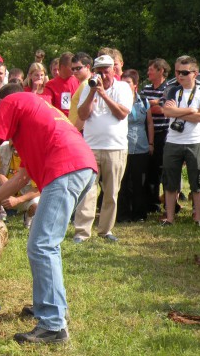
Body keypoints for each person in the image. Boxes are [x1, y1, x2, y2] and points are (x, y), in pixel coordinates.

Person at [0, 83, 97, 344]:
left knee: (42, 245)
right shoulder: (38, 118)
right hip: (79, 166)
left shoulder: (13, 100)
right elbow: (20, 178)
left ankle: (53, 325)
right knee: (45, 244)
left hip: (65, 168)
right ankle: (49, 307)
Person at [73, 54, 132, 243]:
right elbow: (82, 115)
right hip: (91, 147)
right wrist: (92, 92)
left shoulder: (123, 87)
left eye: (106, 71)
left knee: (111, 192)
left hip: (116, 147)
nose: (102, 76)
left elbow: (122, 113)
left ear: (114, 70)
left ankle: (105, 230)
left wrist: (104, 95)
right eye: (99, 72)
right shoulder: (88, 87)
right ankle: (82, 232)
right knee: (87, 191)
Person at [160, 56, 200, 226]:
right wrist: (190, 110)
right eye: (177, 72)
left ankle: (198, 217)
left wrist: (177, 111)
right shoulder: (173, 90)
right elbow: (166, 113)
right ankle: (169, 217)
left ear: (195, 73)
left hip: (195, 141)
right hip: (173, 141)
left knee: (198, 180)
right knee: (170, 180)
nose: (179, 76)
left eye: (184, 72)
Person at [117, 69, 154, 223]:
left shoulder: (143, 101)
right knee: (123, 182)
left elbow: (150, 123)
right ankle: (123, 214)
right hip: (122, 146)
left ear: (135, 85)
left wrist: (151, 143)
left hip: (141, 146)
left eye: (128, 83)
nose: (125, 86)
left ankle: (139, 214)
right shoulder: (117, 101)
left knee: (139, 182)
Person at [0, 141, 40, 228]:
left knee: (37, 205)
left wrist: (18, 200)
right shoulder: (1, 149)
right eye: (12, 139)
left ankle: (28, 217)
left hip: (24, 196)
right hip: (5, 191)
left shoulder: (35, 155)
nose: (15, 144)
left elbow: (39, 190)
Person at [141, 58, 171, 212]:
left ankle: (168, 202)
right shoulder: (146, 88)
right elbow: (140, 106)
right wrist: (157, 103)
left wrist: (151, 105)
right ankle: (151, 202)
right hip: (148, 133)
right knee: (150, 168)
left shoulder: (169, 87)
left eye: (151, 69)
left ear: (161, 70)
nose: (148, 72)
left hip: (164, 134)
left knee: (163, 168)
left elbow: (164, 109)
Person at [44, 51, 79, 116]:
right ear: (62, 67)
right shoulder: (50, 85)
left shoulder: (78, 81)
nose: (74, 69)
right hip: (60, 122)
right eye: (71, 67)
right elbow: (47, 107)